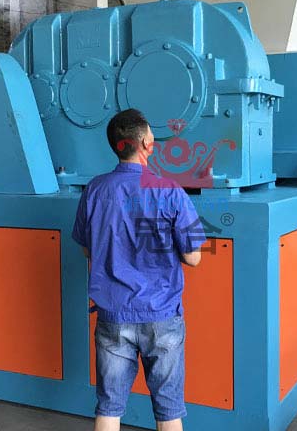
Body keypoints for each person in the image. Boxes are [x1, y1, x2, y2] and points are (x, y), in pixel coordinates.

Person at [72, 109, 206, 431]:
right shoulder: (169, 190)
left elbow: (87, 249)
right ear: (146, 143)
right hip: (161, 314)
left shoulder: (95, 190)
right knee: (169, 410)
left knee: (109, 407)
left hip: (113, 315)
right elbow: (193, 258)